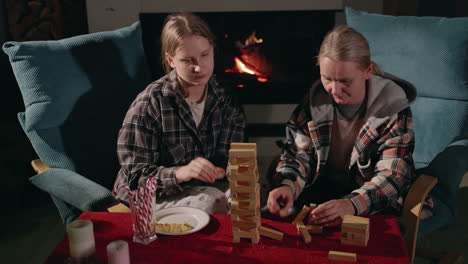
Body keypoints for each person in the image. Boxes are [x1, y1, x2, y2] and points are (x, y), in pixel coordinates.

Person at [266, 25, 429, 226]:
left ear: (367, 70)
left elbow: (392, 175)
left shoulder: (393, 107)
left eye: (345, 81)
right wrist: (288, 186)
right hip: (322, 186)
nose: (334, 90)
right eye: (327, 79)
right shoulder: (314, 100)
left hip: (370, 196)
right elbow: (298, 154)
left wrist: (351, 204)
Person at [113, 13, 246, 214]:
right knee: (211, 203)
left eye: (205, 55)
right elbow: (135, 179)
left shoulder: (226, 98)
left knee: (250, 198)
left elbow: (230, 157)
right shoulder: (149, 104)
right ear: (171, 60)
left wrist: (228, 171)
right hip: (146, 199)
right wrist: (180, 173)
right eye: (187, 60)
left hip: (200, 188)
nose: (199, 67)